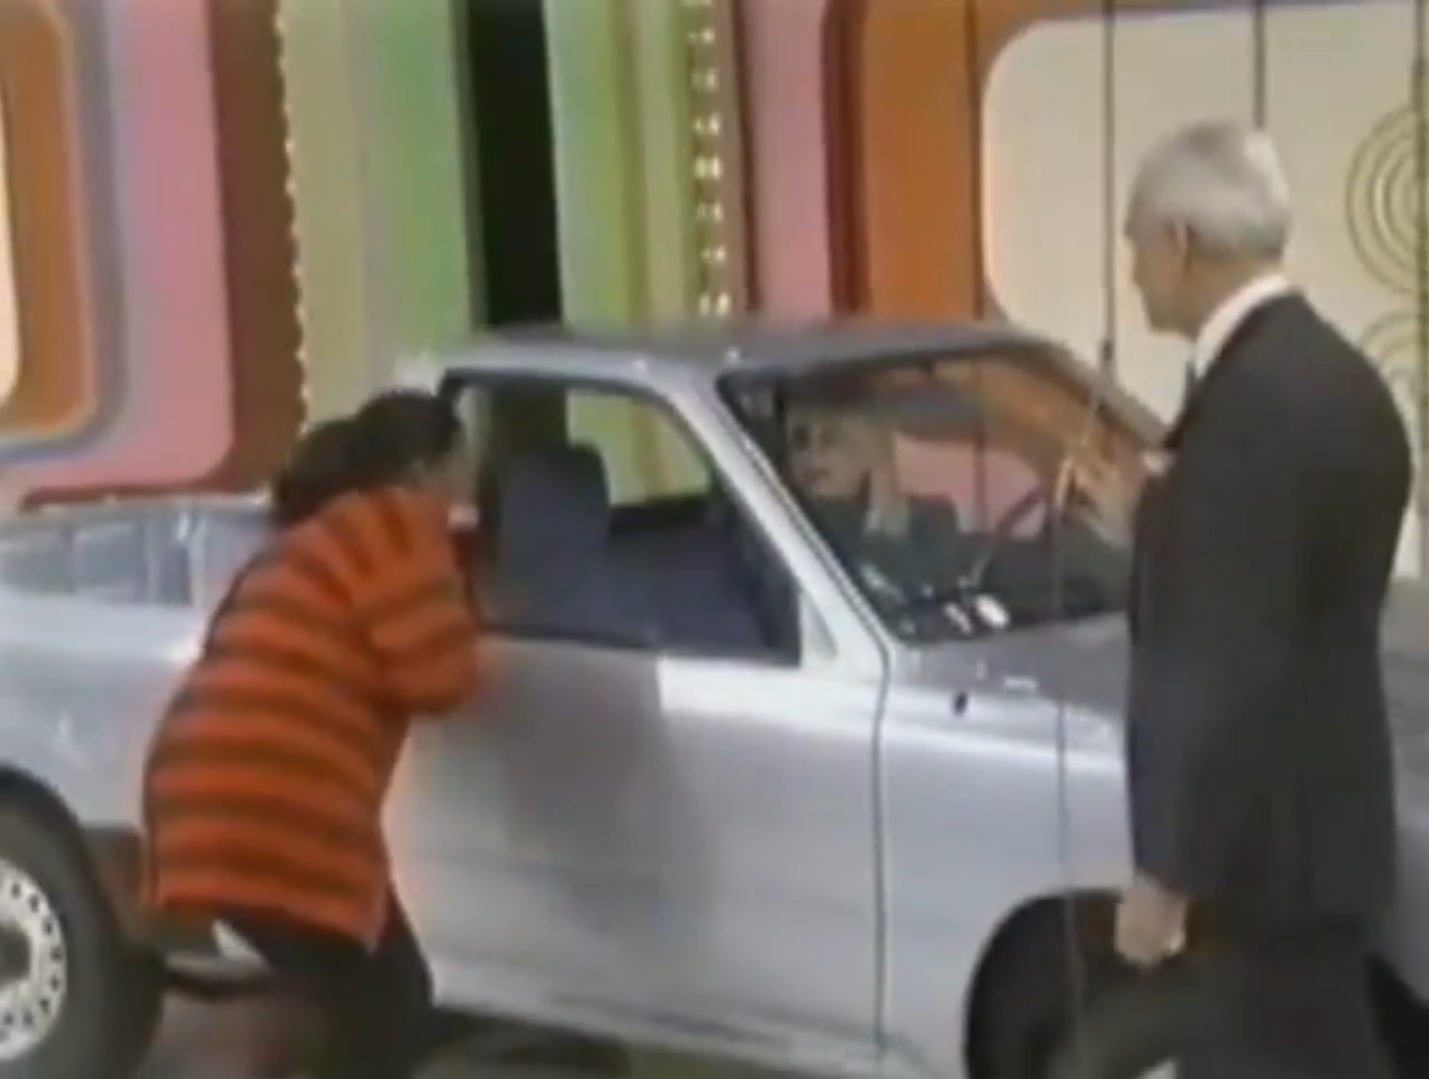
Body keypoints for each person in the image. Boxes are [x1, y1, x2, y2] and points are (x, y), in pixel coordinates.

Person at [1060, 120, 1412, 1078]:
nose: (1132, 271)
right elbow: (1285, 591)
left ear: (1180, 240)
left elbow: (1220, 663)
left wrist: (1166, 871)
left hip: (1259, 858)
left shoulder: (1248, 411)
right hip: (1325, 826)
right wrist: (1159, 532)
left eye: (1135, 242)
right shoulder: (1343, 384)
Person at [142, 389, 484, 1079]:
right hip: (277, 801)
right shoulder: (398, 524)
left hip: (196, 787)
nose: (471, 480)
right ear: (423, 471)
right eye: (462, 461)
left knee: (372, 993)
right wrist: (475, 614)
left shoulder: (309, 541)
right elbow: (438, 676)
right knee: (382, 1002)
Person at [785, 393, 963, 594]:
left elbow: (927, 589)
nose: (813, 454)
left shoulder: (931, 518)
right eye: (801, 441)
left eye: (831, 440)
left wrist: (880, 522)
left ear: (868, 449)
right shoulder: (777, 520)